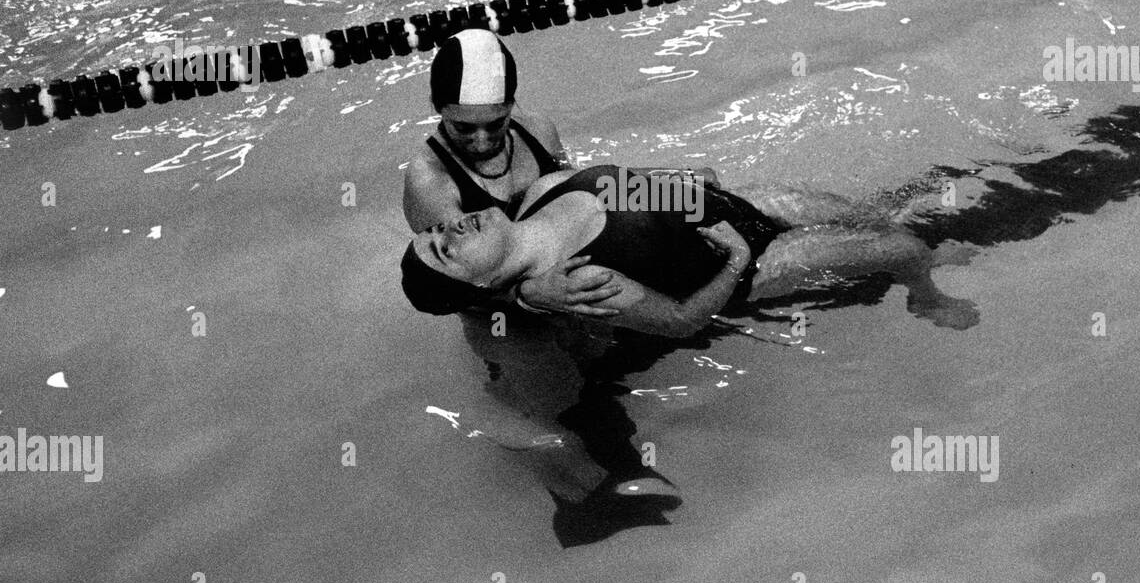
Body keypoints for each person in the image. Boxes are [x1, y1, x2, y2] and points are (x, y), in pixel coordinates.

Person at [401, 164, 979, 335]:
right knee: (903, 249)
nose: (450, 231)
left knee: (871, 217)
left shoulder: (546, 190)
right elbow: (681, 321)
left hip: (737, 204)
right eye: (445, 251)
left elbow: (638, 182)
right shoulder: (579, 281)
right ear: (477, 285)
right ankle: (924, 296)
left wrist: (694, 184)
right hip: (749, 263)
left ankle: (920, 257)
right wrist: (732, 261)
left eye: (438, 230)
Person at [402, 28, 717, 317]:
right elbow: (456, 283)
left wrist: (674, 179)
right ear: (436, 106)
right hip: (497, 313)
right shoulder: (429, 180)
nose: (482, 141)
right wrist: (528, 295)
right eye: (464, 127)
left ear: (512, 105)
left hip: (569, 282)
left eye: (497, 123)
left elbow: (576, 188)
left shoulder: (536, 129)